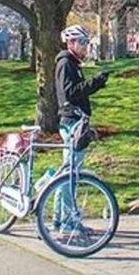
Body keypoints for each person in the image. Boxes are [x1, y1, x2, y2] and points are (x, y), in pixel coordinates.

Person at [54, 24, 109, 234]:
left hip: (75, 122)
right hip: (71, 123)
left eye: (87, 43)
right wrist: (95, 83)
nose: (86, 47)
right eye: (83, 43)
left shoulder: (72, 63)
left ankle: (60, 219)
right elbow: (71, 93)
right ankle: (68, 222)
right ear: (71, 43)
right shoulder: (66, 63)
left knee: (67, 172)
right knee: (71, 175)